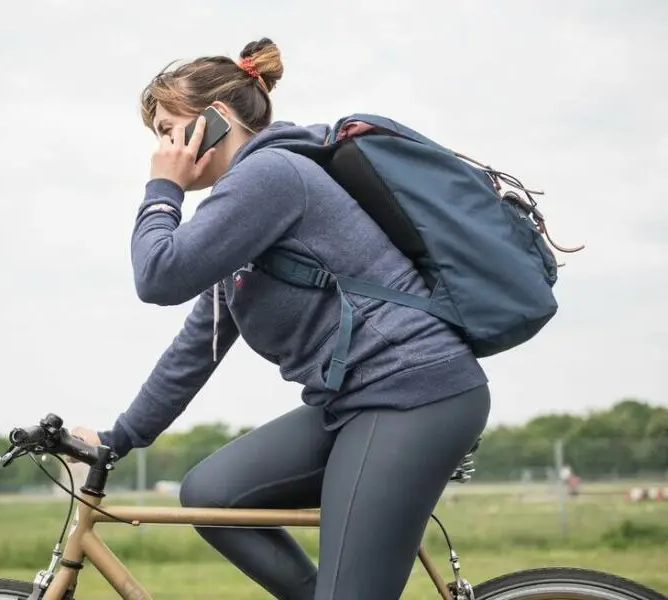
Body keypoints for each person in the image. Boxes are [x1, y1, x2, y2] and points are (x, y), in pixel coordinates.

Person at [70, 37, 491, 600]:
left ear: (214, 121)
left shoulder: (268, 176)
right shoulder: (241, 210)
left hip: (412, 395)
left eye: (169, 130)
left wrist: (162, 188)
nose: (162, 148)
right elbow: (197, 346)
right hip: (354, 403)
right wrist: (117, 439)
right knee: (212, 493)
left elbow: (158, 275)